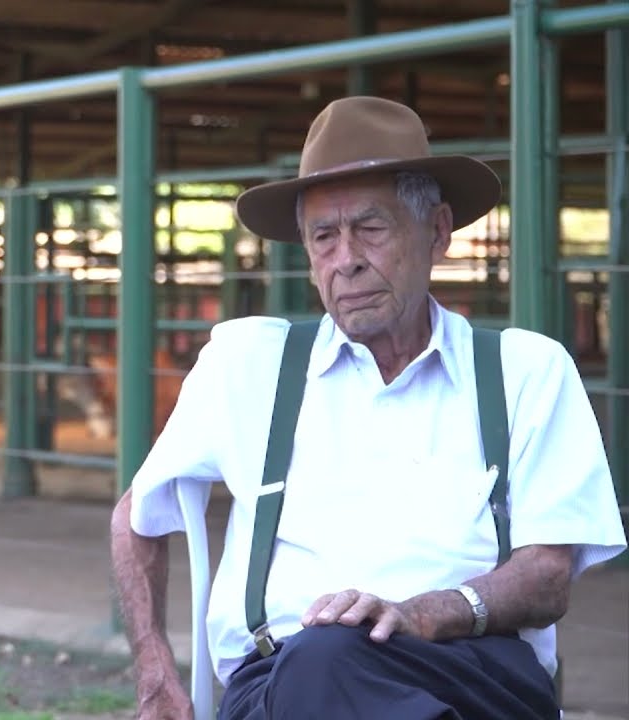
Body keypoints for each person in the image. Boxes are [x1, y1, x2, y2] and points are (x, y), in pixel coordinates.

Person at [110, 95, 627, 720]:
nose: (346, 258)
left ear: (436, 232)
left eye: (371, 228)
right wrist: (155, 671)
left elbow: (547, 576)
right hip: (283, 678)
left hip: (469, 672)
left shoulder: (526, 370)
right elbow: (135, 518)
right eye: (323, 237)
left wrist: (422, 614)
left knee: (329, 659)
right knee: (321, 659)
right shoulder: (247, 364)